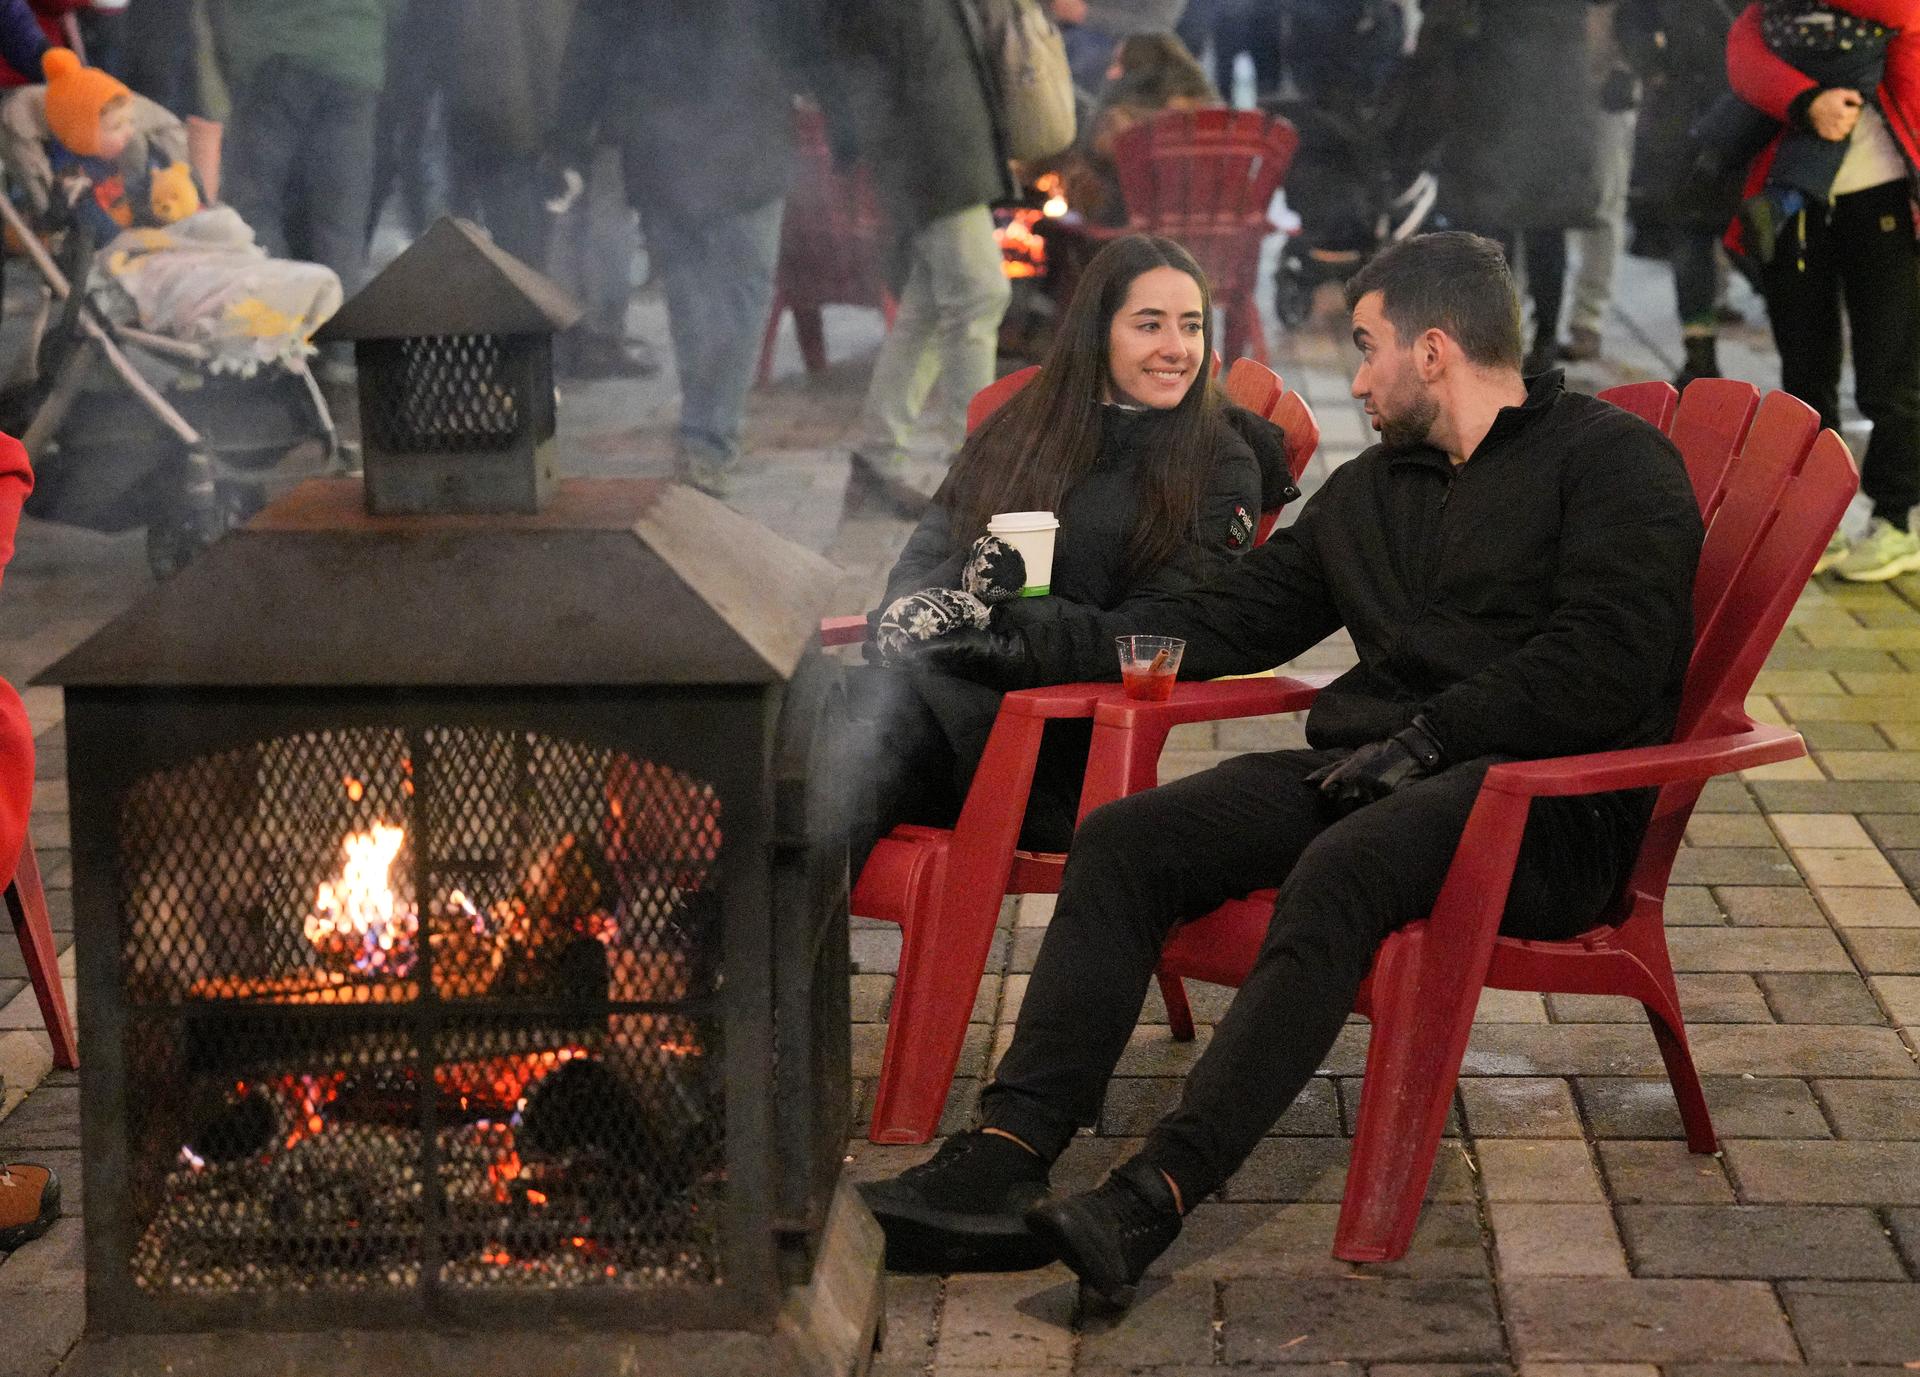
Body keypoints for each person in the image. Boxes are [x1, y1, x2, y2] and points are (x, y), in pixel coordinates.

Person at [858, 232, 1703, 1306]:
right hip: (1376, 778)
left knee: (1345, 866)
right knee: (1128, 840)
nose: (1353, 379)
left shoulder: (1613, 462)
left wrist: (1438, 735)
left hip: (1544, 812)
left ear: (1433, 349)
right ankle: (1004, 1155)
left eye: (1365, 347)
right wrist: (1016, 638)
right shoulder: (1372, 492)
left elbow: (1607, 654)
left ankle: (1152, 1193)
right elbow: (1222, 618)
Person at [849, 234, 1287, 881]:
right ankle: (763, 956)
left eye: (1191, 326)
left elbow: (1165, 630)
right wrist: (920, 611)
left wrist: (1005, 633)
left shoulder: (1217, 464)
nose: (1177, 348)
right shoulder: (1029, 421)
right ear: (1096, 333)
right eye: (1149, 324)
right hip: (922, 700)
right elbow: (928, 548)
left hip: (1044, 742)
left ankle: (769, 964)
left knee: (845, 767)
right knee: (797, 745)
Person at [547, 0, 813, 498]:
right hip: (744, 133)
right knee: (736, 295)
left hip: (666, 139)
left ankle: (704, 431)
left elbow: (593, 38)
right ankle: (710, 436)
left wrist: (568, 139)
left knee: (695, 294)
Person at [1728, 0, 1920, 581]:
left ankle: (1896, 521)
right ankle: (1816, 516)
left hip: (1886, 201)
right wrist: (1804, 100)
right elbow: (1744, 56)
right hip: (1793, 206)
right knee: (1806, 374)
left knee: (1891, 376)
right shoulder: (1770, 18)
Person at [827, 0, 1016, 518]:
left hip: (945, 151)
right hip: (933, 159)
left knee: (930, 309)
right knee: (979, 293)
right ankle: (972, 477)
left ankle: (876, 464)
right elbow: (860, 64)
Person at [208, 0, 389, 298]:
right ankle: (338, 337)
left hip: (273, 51)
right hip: (353, 56)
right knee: (340, 223)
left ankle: (278, 325)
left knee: (256, 206)